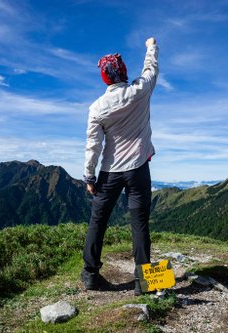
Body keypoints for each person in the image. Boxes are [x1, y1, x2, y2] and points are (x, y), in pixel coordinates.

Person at [81, 37, 159, 296]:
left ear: (105, 79)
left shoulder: (97, 108)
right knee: (140, 224)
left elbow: (93, 145)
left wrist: (89, 176)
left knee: (98, 221)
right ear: (124, 72)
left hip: (110, 172)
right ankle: (143, 282)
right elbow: (151, 69)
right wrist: (151, 48)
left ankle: (91, 275)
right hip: (138, 169)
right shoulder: (140, 91)